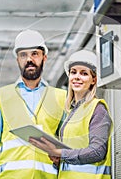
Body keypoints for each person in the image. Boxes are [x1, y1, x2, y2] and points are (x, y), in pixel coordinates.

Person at [0, 29, 67, 179]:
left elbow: (67, 144)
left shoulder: (60, 97)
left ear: (44, 57)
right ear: (17, 60)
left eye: (34, 54)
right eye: (23, 55)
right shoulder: (3, 96)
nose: (29, 59)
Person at [29, 49, 113, 179]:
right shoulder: (73, 111)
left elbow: (97, 151)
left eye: (84, 73)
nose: (77, 77)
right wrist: (59, 160)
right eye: (73, 72)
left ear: (93, 80)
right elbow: (74, 152)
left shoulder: (97, 109)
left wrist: (61, 153)